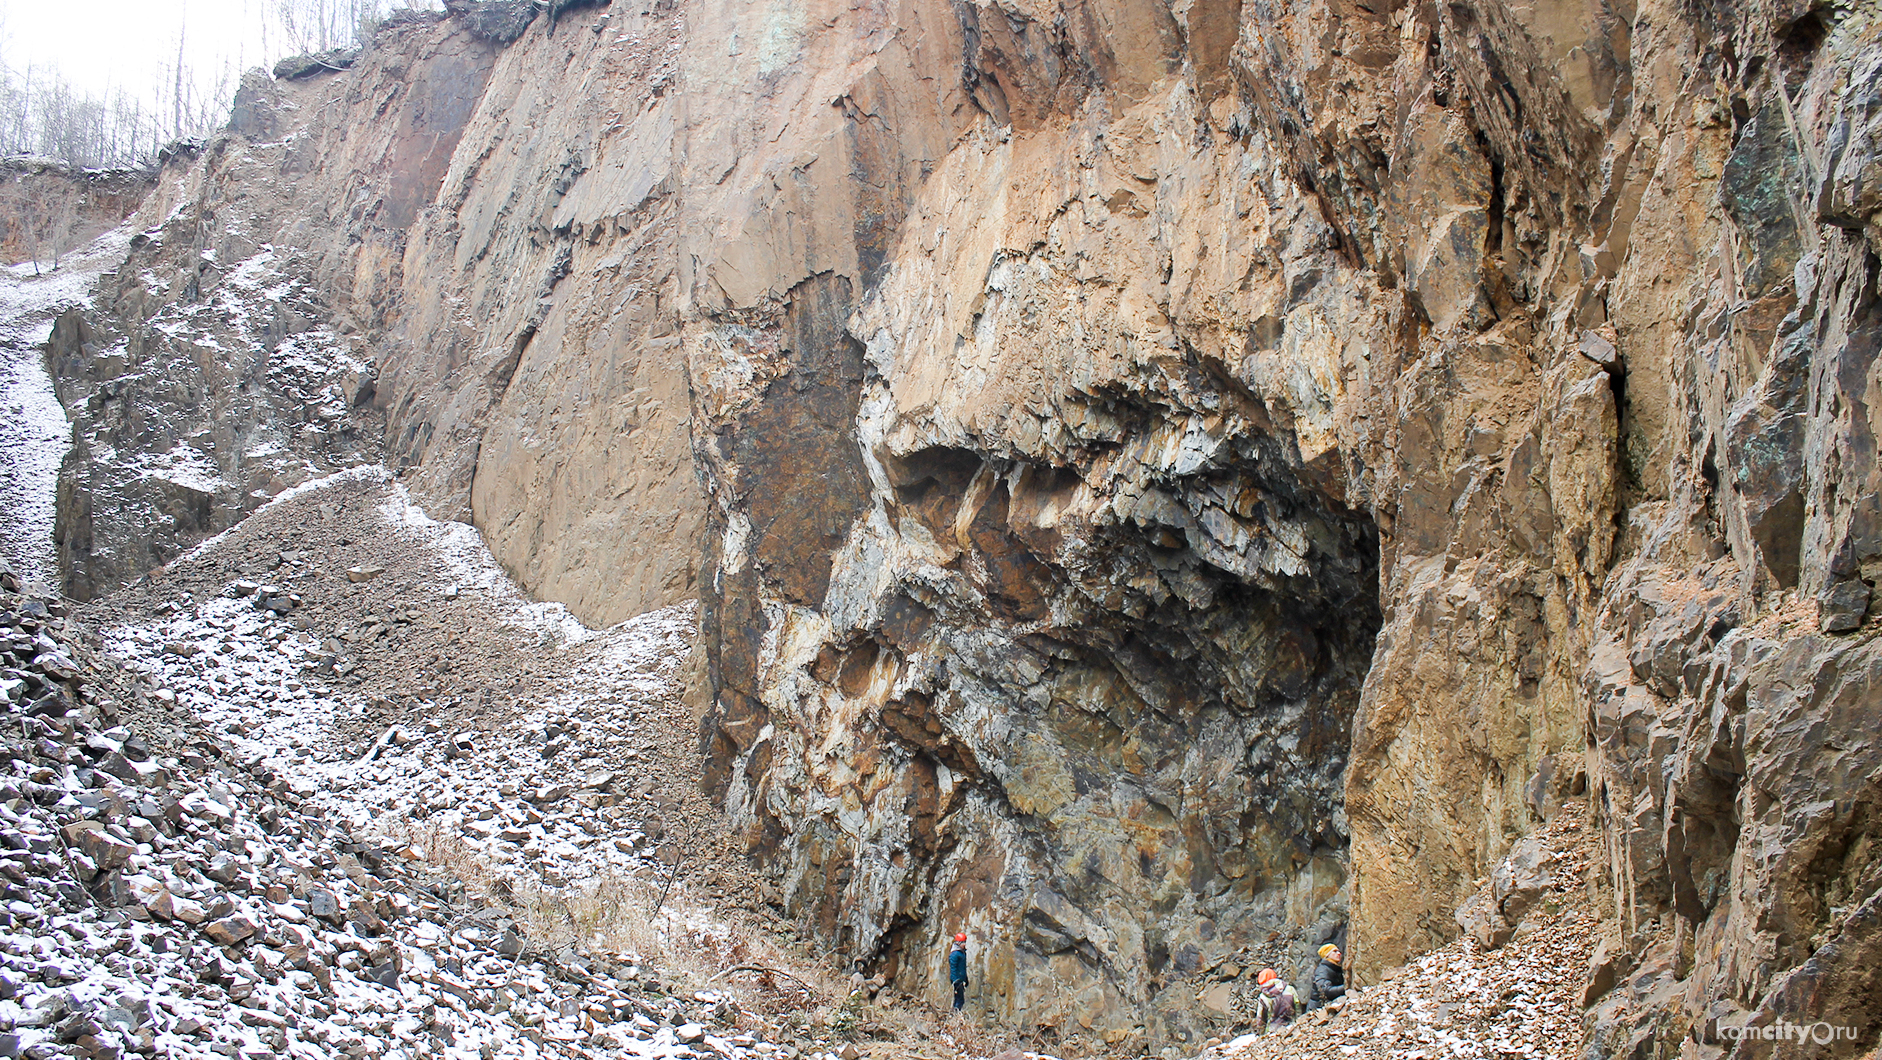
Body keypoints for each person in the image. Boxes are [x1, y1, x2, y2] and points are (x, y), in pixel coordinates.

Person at [1311, 943, 1346, 1010]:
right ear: (1327, 955)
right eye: (1335, 951)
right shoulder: (1322, 970)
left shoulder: (1335, 968)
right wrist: (1345, 987)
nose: (1339, 953)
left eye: (1339, 951)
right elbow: (1325, 991)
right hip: (1318, 1010)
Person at [948, 932, 968, 1011]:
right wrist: (955, 980)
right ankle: (955, 1015)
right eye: (963, 942)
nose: (965, 944)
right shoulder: (955, 954)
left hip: (960, 979)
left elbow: (962, 968)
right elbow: (953, 968)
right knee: (959, 1000)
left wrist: (965, 979)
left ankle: (955, 1015)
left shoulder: (961, 953)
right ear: (959, 943)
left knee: (959, 999)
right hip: (957, 980)